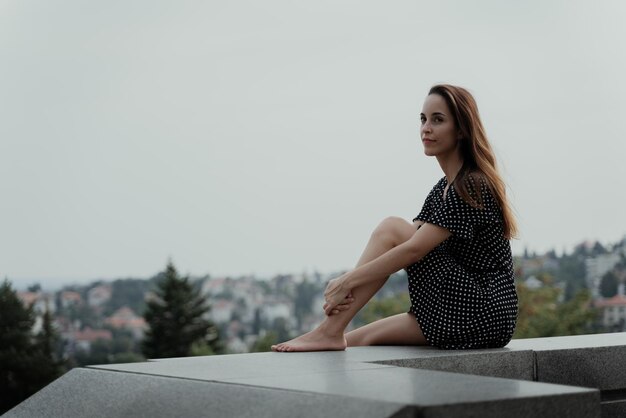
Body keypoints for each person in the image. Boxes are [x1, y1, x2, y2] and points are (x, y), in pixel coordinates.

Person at [271, 84, 518, 352]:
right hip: (458, 309)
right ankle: (330, 332)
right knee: (355, 340)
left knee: (390, 228)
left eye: (438, 120)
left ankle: (328, 330)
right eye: (423, 119)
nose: (426, 128)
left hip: (482, 308)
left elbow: (412, 249)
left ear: (460, 130)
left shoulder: (471, 184)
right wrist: (349, 284)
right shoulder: (441, 190)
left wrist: (347, 281)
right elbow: (401, 246)